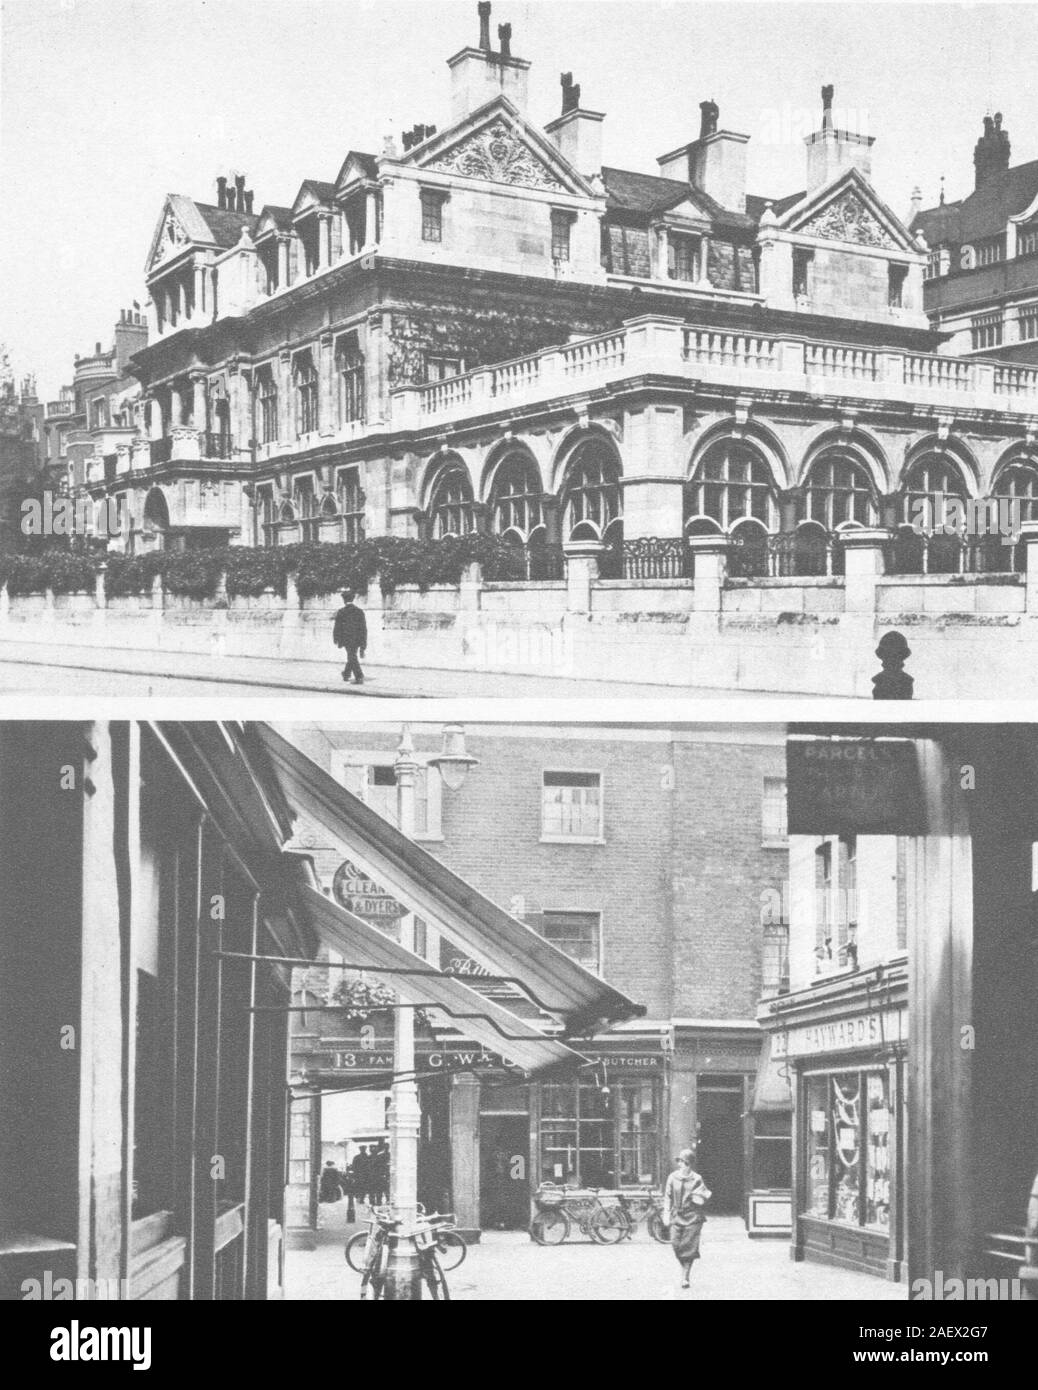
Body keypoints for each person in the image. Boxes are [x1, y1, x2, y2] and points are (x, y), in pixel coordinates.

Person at [663, 1148, 711, 1289]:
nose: (680, 1165)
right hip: (676, 1216)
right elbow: (668, 1197)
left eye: (683, 1162)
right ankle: (684, 1269)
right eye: (680, 1162)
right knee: (675, 1244)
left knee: (689, 1248)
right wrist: (666, 1214)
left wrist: (699, 1197)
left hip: (693, 1217)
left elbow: (704, 1196)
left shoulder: (697, 1178)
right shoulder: (672, 1177)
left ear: (689, 1164)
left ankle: (685, 1277)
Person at [333, 589, 367, 685]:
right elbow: (363, 628)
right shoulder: (360, 612)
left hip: (346, 639)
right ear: (353, 599)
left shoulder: (341, 612)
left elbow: (337, 627)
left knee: (351, 656)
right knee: (352, 655)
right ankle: (346, 673)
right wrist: (363, 644)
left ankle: (359, 676)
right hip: (357, 639)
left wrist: (336, 639)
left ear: (344, 600)